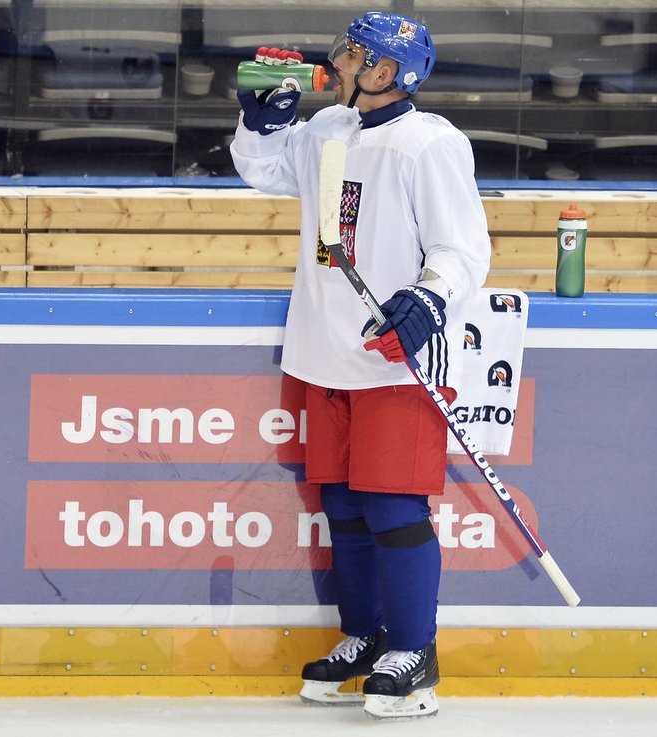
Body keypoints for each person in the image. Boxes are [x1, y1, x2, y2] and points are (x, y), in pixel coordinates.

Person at [230, 11, 491, 720]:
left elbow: (463, 249)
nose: (336, 59)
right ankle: (364, 637)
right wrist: (259, 121)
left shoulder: (429, 145)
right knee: (342, 505)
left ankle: (414, 650)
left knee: (391, 506)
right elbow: (262, 170)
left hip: (389, 360)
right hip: (323, 349)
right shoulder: (326, 131)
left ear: (384, 73)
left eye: (353, 53)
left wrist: (426, 300)